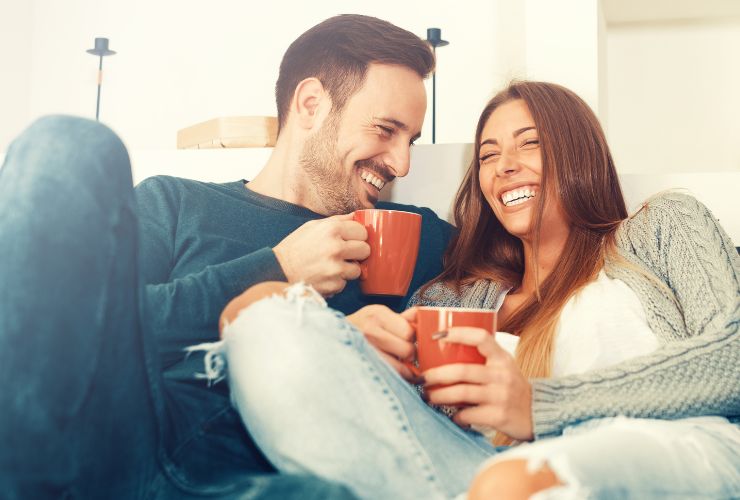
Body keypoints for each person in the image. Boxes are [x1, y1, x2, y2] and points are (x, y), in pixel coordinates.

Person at [215, 81, 740, 499]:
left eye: (530, 143)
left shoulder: (662, 228)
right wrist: (354, 346)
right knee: (257, 315)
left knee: (512, 484)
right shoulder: (452, 299)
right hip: (482, 474)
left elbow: (733, 358)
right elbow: (402, 425)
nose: (504, 165)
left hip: (678, 452)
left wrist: (539, 405)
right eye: (488, 155)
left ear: (580, 152)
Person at [0, 14, 452, 498]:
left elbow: (529, 271)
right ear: (311, 104)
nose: (402, 162)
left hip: (260, 479)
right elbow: (75, 333)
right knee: (68, 145)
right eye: (386, 130)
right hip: (122, 442)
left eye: (410, 140)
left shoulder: (411, 233)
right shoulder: (174, 204)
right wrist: (277, 270)